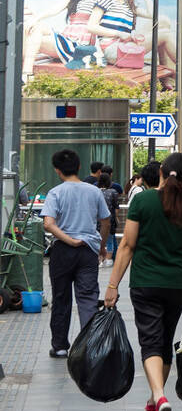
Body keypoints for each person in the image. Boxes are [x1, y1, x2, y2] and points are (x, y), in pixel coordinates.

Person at [105, 152, 182, 411]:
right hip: (176, 284)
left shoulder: (142, 200)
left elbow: (126, 245)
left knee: (150, 342)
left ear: (161, 171)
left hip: (145, 282)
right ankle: (154, 400)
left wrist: (113, 285)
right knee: (164, 342)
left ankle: (160, 397)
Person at [41, 149, 111, 359]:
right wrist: (101, 246)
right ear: (79, 167)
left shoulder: (56, 193)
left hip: (62, 250)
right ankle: (89, 346)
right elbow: (105, 221)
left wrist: (69, 240)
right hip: (88, 250)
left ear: (57, 170)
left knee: (61, 298)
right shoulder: (94, 191)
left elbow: (48, 224)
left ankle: (60, 346)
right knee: (88, 298)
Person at [97, 173, 123, 267]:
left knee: (97, 240)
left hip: (96, 220)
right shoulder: (113, 192)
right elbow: (116, 207)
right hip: (109, 219)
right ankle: (108, 259)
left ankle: (99, 259)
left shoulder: (95, 191)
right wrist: (115, 218)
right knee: (110, 240)